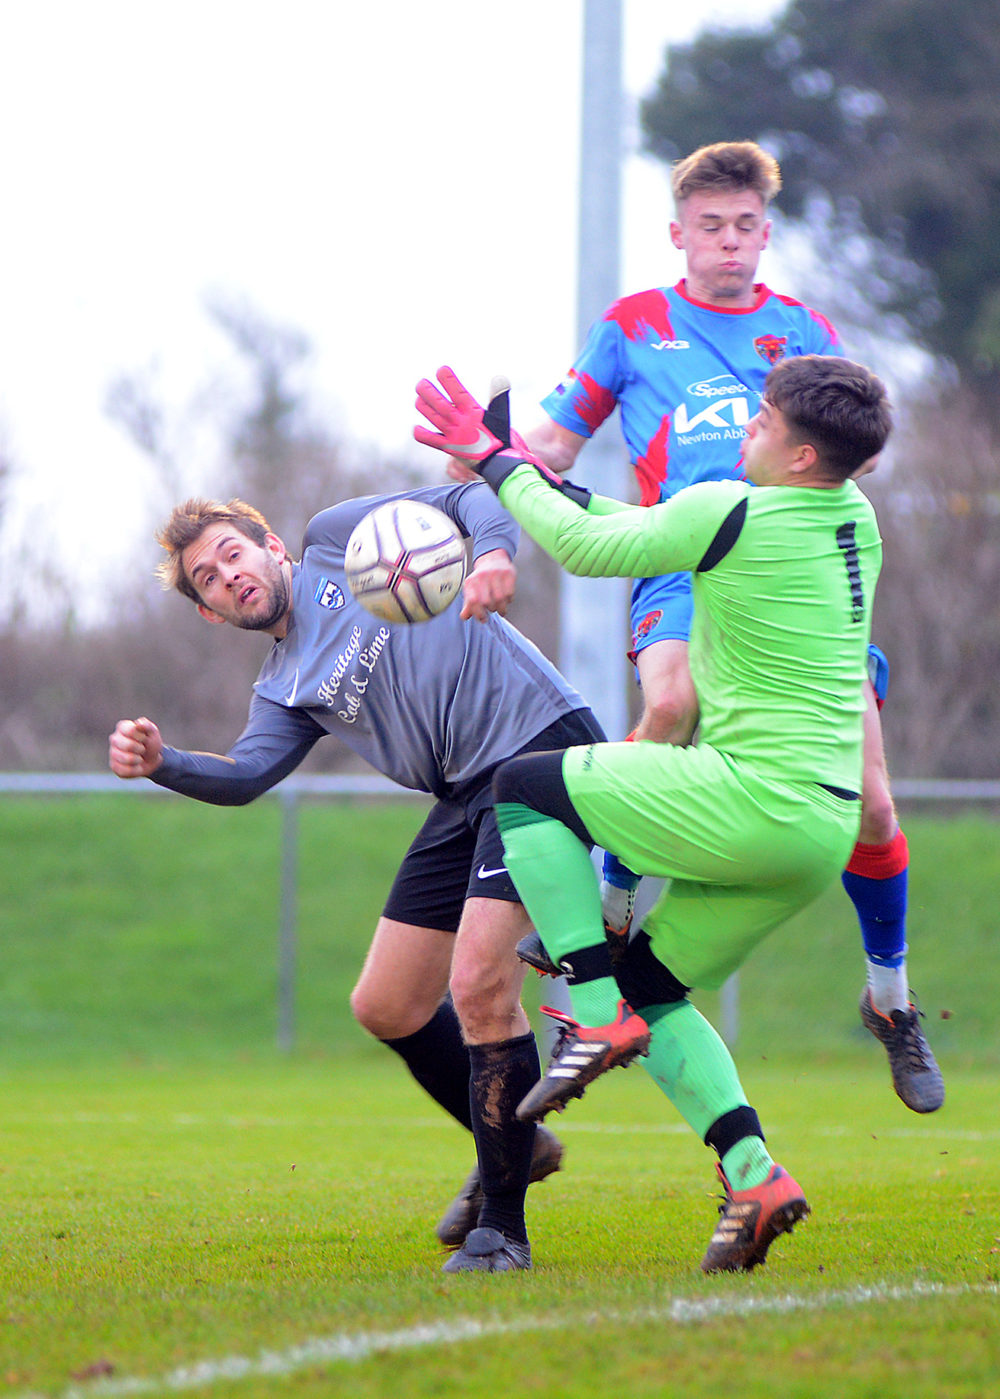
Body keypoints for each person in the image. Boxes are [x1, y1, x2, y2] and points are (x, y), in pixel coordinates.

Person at [416, 353, 898, 1272]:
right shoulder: (852, 517)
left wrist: (492, 461)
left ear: (801, 456)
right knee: (659, 987)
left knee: (525, 788)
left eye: (763, 421)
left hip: (751, 798)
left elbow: (593, 549)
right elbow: (638, 525)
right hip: (818, 832)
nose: (747, 428)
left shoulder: (734, 512)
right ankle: (754, 1174)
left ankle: (592, 1011)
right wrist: (535, 473)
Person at [510, 139, 941, 1113]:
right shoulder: (632, 327)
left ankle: (891, 1002)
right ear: (678, 234)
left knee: (872, 805)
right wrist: (486, 496)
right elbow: (546, 443)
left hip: (791, 580)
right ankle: (615, 908)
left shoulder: (801, 329)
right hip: (679, 559)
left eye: (747, 226)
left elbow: (851, 447)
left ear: (766, 232)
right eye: (711, 227)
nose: (730, 245)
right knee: (669, 700)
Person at [108, 482, 609, 1275]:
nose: (227, 574)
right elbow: (245, 774)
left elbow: (473, 495)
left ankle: (502, 1232)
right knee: (386, 1002)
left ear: (272, 547)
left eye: (232, 552)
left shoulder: (340, 540)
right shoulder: (282, 685)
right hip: (463, 792)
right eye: (207, 577)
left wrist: (494, 556)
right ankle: (518, 1141)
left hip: (536, 748)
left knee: (480, 986)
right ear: (210, 612)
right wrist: (162, 762)